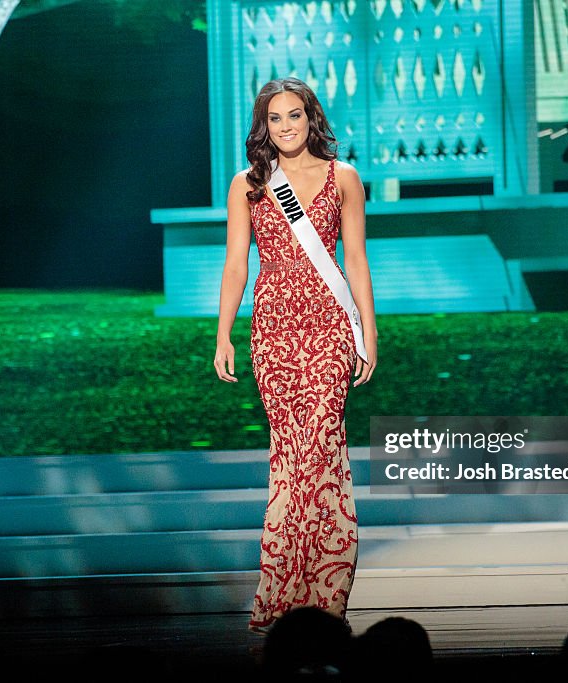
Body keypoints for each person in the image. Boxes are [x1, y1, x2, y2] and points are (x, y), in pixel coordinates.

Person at [213, 77, 378, 633]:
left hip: (330, 325)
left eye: (295, 115)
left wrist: (368, 334)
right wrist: (223, 334)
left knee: (323, 453)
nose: (285, 126)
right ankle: (284, 597)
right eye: (275, 118)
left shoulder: (344, 178)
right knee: (291, 461)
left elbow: (355, 260)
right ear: (265, 126)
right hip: (275, 331)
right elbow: (237, 263)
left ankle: (325, 596)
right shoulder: (250, 185)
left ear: (312, 118)